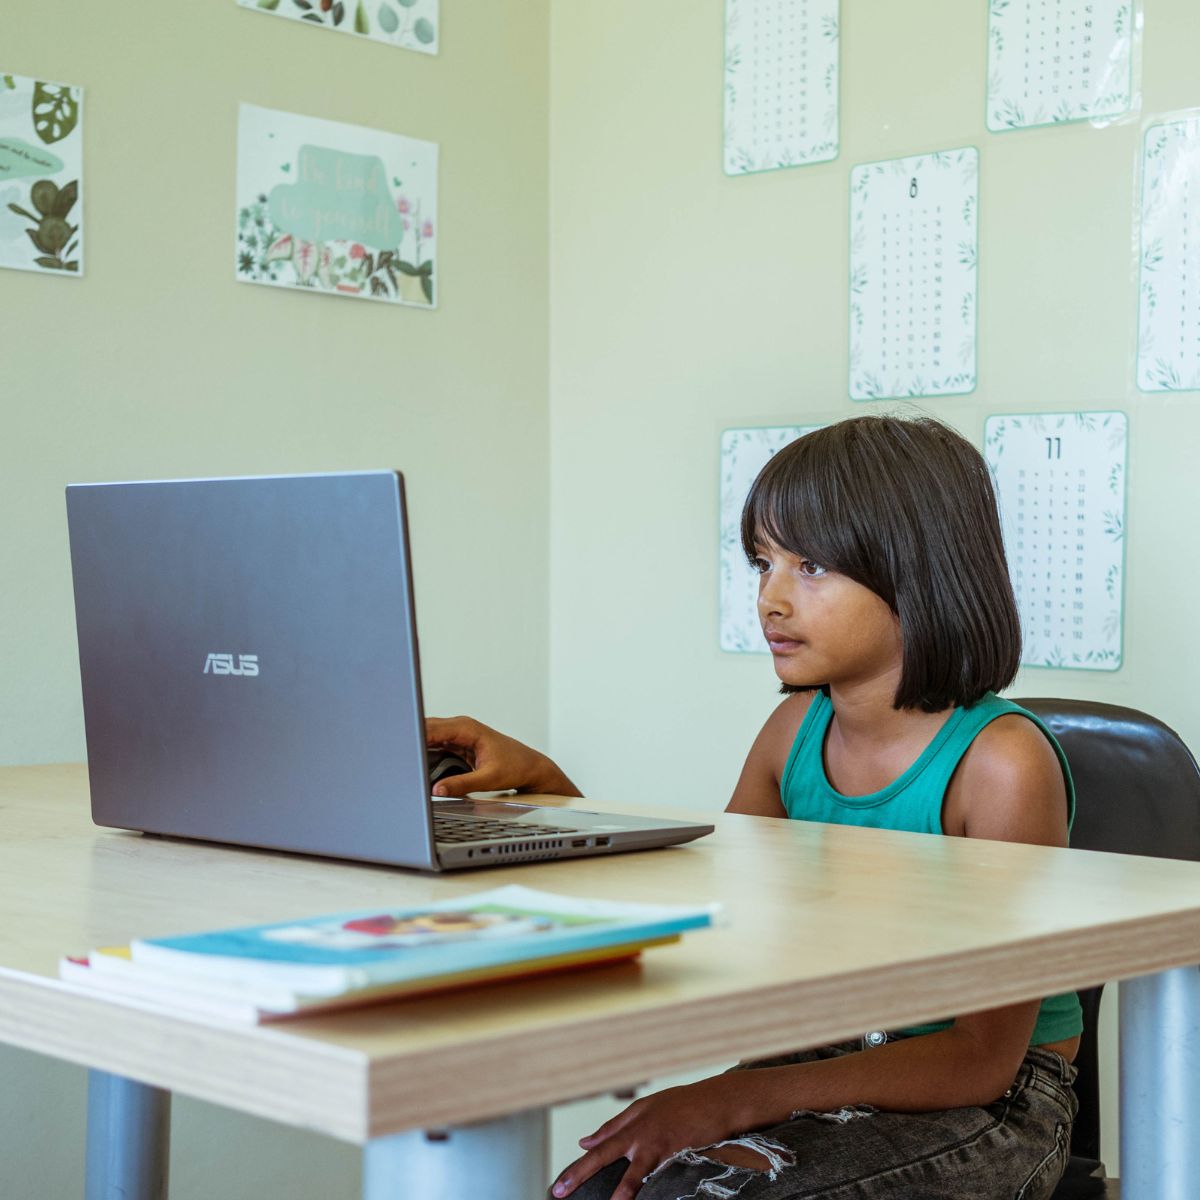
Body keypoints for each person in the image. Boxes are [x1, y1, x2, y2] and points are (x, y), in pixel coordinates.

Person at [425, 415, 1082, 1200]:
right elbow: (712, 905)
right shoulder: (794, 730)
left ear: (920, 569)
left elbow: (980, 1057)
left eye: (810, 566)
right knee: (611, 1188)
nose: (771, 598)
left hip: (991, 1098)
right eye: (762, 562)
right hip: (824, 1053)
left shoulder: (1002, 764)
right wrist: (548, 786)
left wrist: (727, 1096)